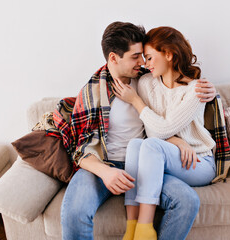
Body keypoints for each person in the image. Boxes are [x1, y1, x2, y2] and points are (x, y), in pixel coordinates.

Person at [58, 22, 217, 240]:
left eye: (144, 56)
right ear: (114, 58)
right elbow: (78, 148)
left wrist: (211, 93)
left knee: (187, 201)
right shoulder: (92, 92)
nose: (142, 62)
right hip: (105, 163)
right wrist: (106, 172)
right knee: (75, 212)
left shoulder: (148, 78)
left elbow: (177, 102)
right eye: (135, 57)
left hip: (147, 164)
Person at [112, 26, 217, 240]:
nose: (146, 64)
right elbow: (153, 131)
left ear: (168, 55)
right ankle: (131, 227)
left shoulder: (195, 90)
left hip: (198, 161)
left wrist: (136, 102)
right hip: (169, 156)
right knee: (136, 145)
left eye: (150, 58)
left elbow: (161, 130)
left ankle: (144, 228)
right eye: (144, 59)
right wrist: (176, 141)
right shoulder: (146, 83)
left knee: (150, 146)